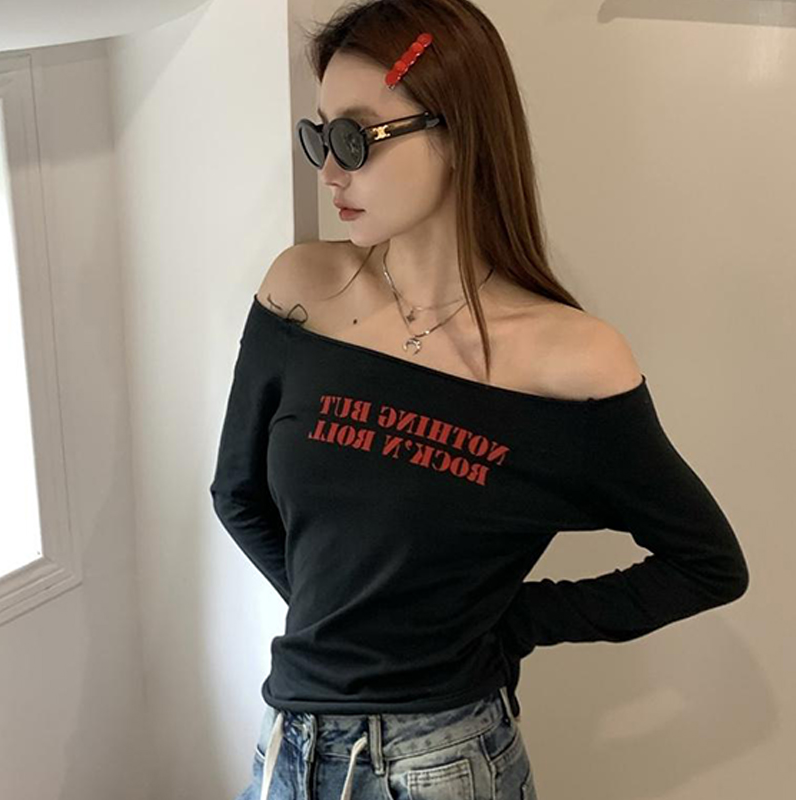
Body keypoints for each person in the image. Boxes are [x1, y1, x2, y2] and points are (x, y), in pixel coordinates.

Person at [209, 1, 750, 799]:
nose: (329, 173)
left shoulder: (571, 359)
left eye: (356, 138)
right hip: (286, 749)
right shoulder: (302, 291)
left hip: (444, 764)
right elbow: (238, 492)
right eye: (320, 137)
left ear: (457, 133)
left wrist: (509, 621)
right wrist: (351, 628)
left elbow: (705, 565)